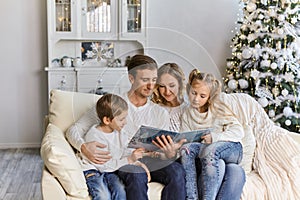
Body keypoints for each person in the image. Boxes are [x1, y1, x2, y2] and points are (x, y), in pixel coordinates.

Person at [66, 54, 186, 200]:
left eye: (154, 80)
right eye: (145, 80)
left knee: (177, 171)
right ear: (131, 78)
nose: (150, 86)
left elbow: (164, 152)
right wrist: (83, 147)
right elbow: (73, 130)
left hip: (150, 159)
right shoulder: (113, 104)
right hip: (125, 160)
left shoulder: (160, 112)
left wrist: (169, 153)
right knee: (137, 174)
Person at [180, 69, 245, 200]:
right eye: (193, 93)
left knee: (211, 151)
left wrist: (214, 137)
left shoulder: (218, 108)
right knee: (186, 149)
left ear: (209, 97)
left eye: (202, 96)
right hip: (206, 153)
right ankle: (191, 198)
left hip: (232, 149)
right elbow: (187, 139)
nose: (196, 99)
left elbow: (239, 131)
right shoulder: (187, 113)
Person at [77, 93, 149, 200]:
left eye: (125, 118)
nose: (125, 122)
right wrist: (129, 159)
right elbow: (105, 165)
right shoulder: (95, 136)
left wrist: (135, 159)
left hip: (111, 170)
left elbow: (123, 151)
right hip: (94, 170)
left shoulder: (119, 132)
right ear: (107, 120)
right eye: (121, 119)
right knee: (103, 195)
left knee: (120, 191)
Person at [151, 63, 188, 132]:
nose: (167, 92)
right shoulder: (153, 109)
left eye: (171, 85)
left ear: (179, 84)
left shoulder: (188, 108)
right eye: (162, 86)